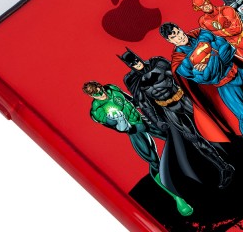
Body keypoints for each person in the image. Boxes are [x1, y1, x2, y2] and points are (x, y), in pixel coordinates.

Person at [160, 22, 243, 179]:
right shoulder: (179, 62)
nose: (179, 37)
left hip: (238, 72)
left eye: (178, 32)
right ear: (170, 41)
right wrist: (214, 53)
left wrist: (207, 61)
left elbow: (228, 48)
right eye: (174, 37)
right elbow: (205, 78)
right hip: (226, 86)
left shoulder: (200, 33)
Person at [118, 49, 234, 189]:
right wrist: (156, 121)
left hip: (185, 100)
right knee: (194, 138)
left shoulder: (158, 63)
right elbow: (144, 104)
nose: (136, 64)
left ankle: (238, 150)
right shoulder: (133, 81)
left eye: (136, 60)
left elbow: (180, 75)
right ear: (128, 66)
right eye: (132, 64)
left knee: (212, 124)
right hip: (169, 109)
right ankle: (224, 167)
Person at [82, 81, 193, 216]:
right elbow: (113, 126)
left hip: (143, 120)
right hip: (134, 131)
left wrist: (142, 102)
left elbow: (130, 101)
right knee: (154, 162)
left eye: (101, 90)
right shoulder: (97, 110)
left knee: (176, 135)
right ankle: (177, 197)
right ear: (92, 96)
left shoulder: (110, 88)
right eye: (98, 94)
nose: (102, 94)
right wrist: (121, 124)